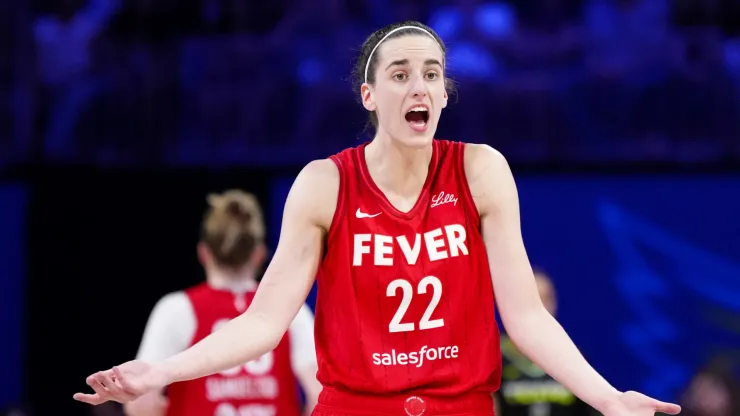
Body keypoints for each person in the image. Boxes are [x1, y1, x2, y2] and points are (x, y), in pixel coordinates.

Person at [74, 21, 683, 416]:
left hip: (461, 406)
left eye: (431, 75)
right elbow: (263, 322)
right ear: (370, 96)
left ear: (444, 94)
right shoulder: (324, 184)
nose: (418, 86)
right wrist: (159, 371)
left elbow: (525, 317)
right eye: (400, 75)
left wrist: (606, 399)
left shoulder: (481, 170)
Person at [122, 190, 321, 416]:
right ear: (259, 254)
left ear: (204, 253)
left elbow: (141, 403)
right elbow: (320, 393)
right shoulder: (290, 310)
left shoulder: (176, 310)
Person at [495, 269, 592, 416]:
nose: (539, 309)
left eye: (545, 299)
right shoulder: (491, 360)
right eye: (530, 299)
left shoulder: (574, 357)